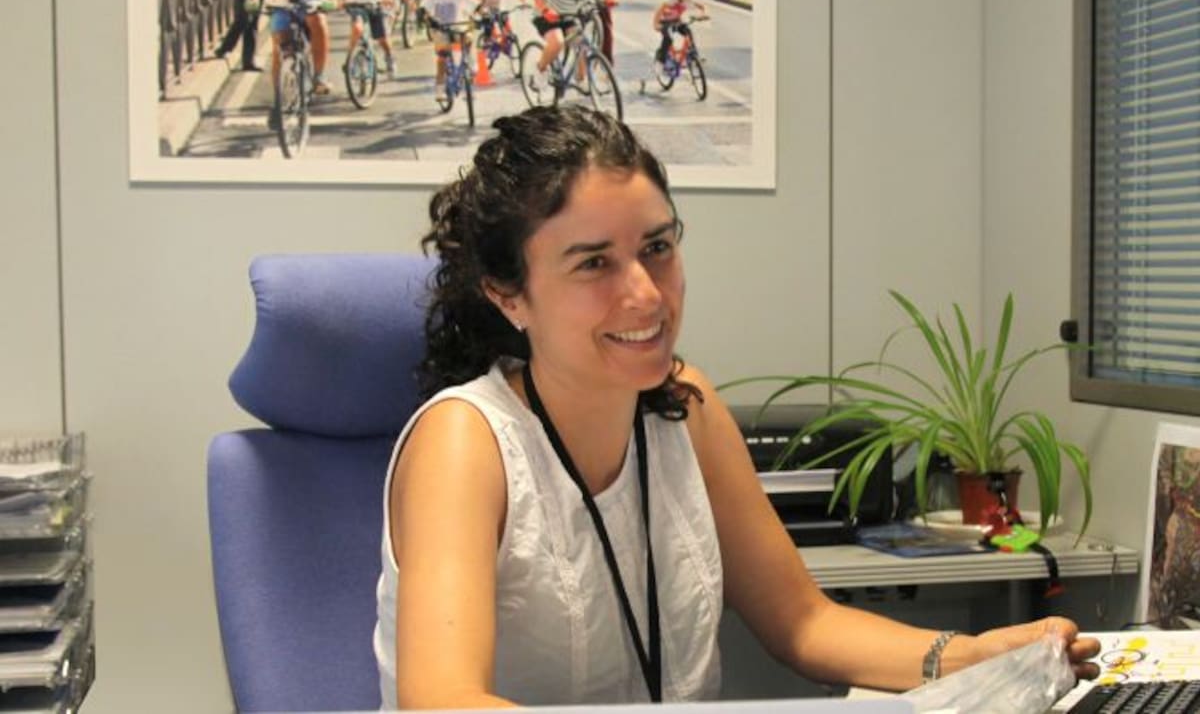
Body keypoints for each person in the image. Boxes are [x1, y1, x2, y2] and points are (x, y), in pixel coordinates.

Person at [372, 105, 1102, 708]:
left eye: (657, 247)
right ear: (508, 295)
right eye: (594, 263)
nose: (646, 294)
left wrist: (972, 656)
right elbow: (441, 702)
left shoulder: (684, 407)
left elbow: (803, 623)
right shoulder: (464, 442)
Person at [529, 0, 614, 84]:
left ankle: (581, 80)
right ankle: (540, 69)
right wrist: (545, 10)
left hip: (568, 18)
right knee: (557, 43)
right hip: (547, 18)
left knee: (582, 44)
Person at [420, 0, 479, 105]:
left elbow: (473, 4)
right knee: (442, 57)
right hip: (440, 28)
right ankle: (440, 89)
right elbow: (424, 8)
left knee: (469, 39)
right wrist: (428, 18)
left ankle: (470, 66)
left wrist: (482, 13)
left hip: (457, 25)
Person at [652, 0, 707, 65]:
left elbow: (702, 6)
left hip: (676, 21)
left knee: (688, 32)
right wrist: (655, 24)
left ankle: (694, 56)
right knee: (668, 38)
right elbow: (659, 11)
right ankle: (660, 62)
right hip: (665, 22)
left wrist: (703, 14)